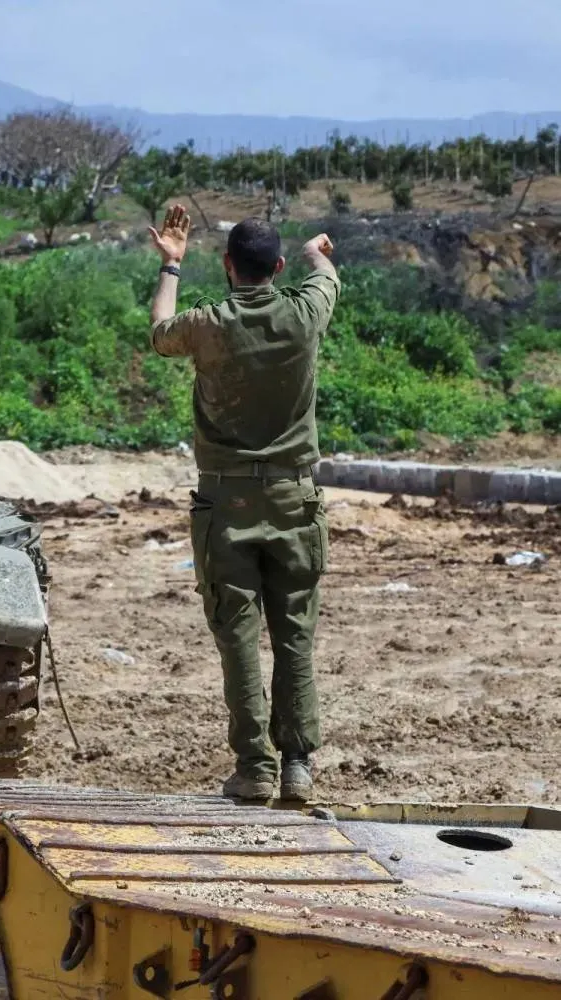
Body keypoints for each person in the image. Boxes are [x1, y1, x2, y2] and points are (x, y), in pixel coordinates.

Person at [146, 204, 339, 802]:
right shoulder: (304, 313)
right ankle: (297, 766)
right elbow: (323, 274)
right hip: (294, 498)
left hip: (225, 501)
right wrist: (314, 254)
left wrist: (172, 266)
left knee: (237, 635)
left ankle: (254, 767)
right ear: (276, 266)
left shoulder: (209, 324)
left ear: (228, 266)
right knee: (295, 633)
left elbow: (159, 333)